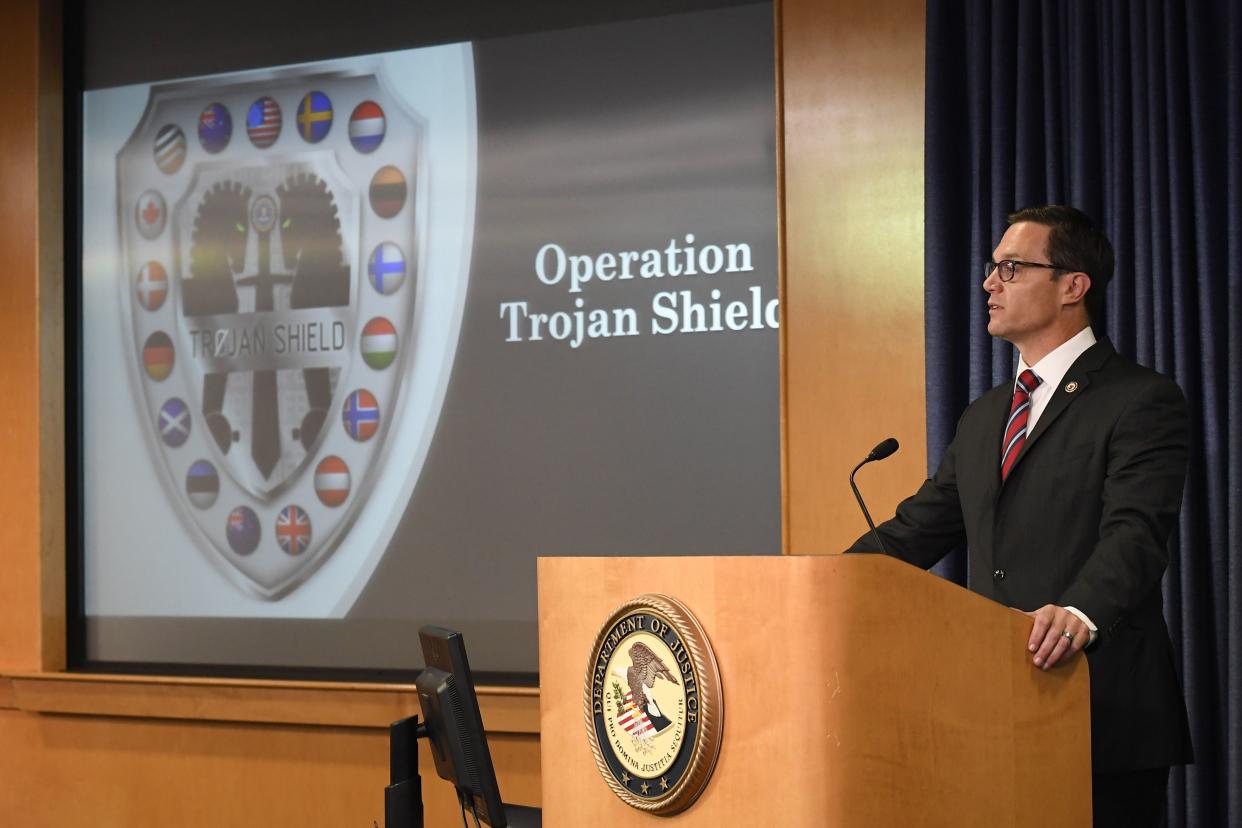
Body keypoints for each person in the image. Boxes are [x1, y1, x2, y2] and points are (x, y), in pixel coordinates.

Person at [849, 205, 1192, 827]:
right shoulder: (986, 416)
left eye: (1011, 267)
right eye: (992, 268)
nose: (989, 283)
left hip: (1100, 707)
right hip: (991, 709)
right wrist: (825, 583)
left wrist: (1079, 612)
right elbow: (918, 529)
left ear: (1072, 286)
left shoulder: (1141, 401)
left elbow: (1135, 534)